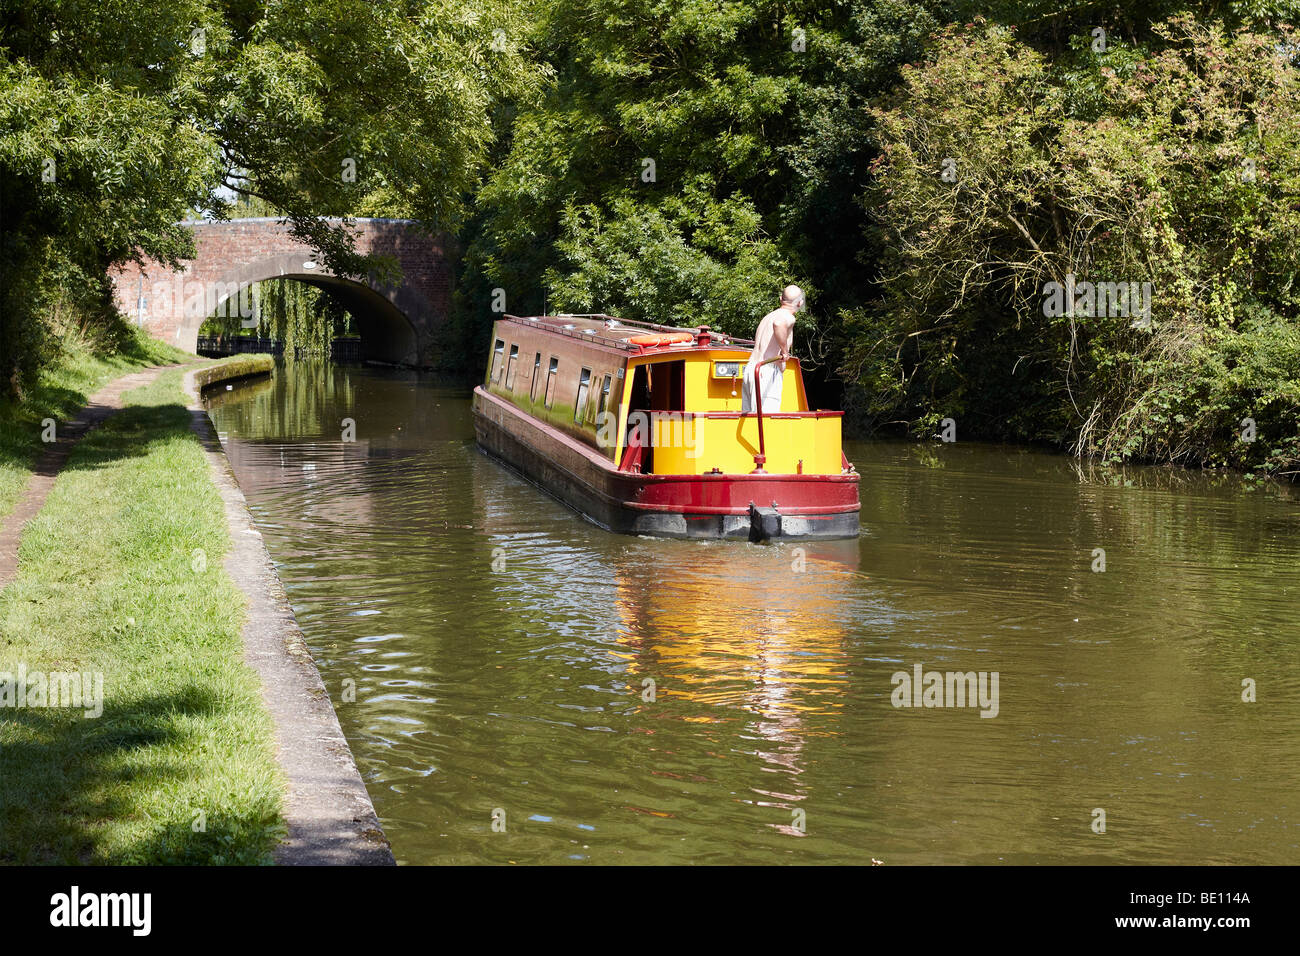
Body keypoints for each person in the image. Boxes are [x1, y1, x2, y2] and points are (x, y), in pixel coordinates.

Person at [741, 285, 804, 414]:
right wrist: (785, 351)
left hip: (751, 368)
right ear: (800, 303)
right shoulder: (787, 316)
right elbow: (778, 324)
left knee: (752, 420)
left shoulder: (768, 316)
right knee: (767, 419)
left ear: (781, 299)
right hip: (767, 369)